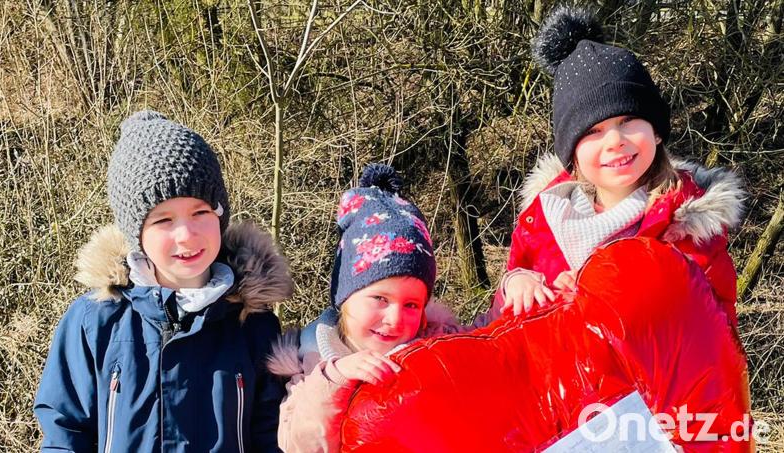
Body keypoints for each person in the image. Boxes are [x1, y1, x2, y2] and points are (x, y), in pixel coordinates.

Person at [34, 110, 292, 452]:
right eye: (163, 220)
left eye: (201, 212)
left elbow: (272, 437)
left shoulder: (254, 326)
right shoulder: (93, 321)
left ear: (220, 215)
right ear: (136, 232)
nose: (186, 235)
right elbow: (64, 434)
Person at [497, 7, 745, 327]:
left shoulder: (688, 232)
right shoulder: (544, 216)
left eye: (628, 120)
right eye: (592, 131)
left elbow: (711, 336)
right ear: (572, 152)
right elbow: (507, 332)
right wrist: (513, 286)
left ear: (656, 131)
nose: (615, 140)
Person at [268, 163, 464, 452]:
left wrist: (516, 282)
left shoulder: (435, 342)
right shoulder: (310, 361)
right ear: (346, 297)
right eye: (380, 299)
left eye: (411, 304)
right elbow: (296, 442)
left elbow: (492, 341)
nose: (395, 318)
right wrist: (336, 378)